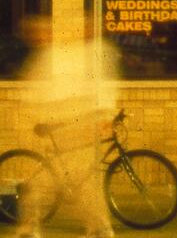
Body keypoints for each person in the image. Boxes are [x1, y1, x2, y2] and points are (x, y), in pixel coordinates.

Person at [15, 15, 118, 238]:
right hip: (69, 124)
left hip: (70, 124)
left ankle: (30, 228)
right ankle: (98, 228)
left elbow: (67, 91)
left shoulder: (64, 54)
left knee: (50, 179)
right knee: (78, 179)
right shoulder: (62, 54)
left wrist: (102, 114)